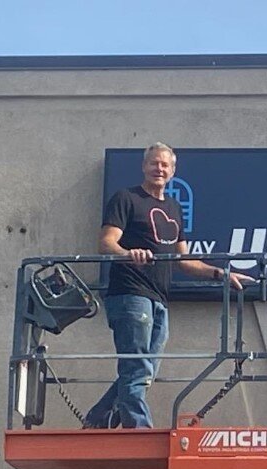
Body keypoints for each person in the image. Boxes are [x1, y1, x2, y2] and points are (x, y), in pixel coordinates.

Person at [83, 142, 253, 428]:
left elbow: (183, 260)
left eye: (165, 165)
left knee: (146, 368)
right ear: (144, 166)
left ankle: (99, 418)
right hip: (130, 294)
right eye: (154, 163)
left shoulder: (173, 207)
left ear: (173, 171)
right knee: (137, 365)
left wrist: (220, 274)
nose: (159, 169)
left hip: (160, 298)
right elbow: (105, 243)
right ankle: (138, 427)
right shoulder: (126, 198)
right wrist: (128, 253)